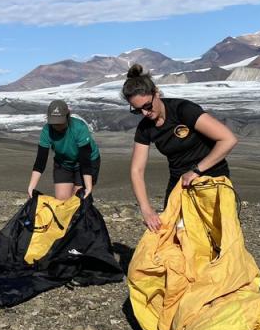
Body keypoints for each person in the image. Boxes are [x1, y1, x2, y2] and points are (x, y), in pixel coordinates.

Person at [123, 64, 238, 232]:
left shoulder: (183, 110)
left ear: (157, 93)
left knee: (212, 234)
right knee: (174, 233)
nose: (144, 114)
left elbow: (228, 139)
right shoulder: (145, 128)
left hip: (211, 178)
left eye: (147, 106)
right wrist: (146, 209)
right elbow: (136, 170)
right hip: (179, 183)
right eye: (137, 110)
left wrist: (196, 171)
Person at [27, 99, 101, 201]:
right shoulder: (46, 130)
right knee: (62, 199)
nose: (57, 126)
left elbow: (85, 160)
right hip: (63, 163)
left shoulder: (79, 127)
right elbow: (41, 160)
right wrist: (31, 187)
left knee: (78, 199)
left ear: (67, 116)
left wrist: (88, 187)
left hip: (85, 162)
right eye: (54, 123)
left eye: (60, 123)